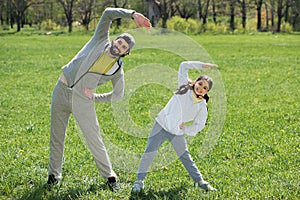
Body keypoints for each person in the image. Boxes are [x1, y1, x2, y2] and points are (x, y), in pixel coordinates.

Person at [47, 7, 151, 191]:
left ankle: (110, 177)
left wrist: (95, 98)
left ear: (126, 53)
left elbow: (118, 95)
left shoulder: (116, 71)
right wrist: (132, 14)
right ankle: (54, 175)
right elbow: (107, 13)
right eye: (119, 42)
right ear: (115, 39)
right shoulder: (100, 39)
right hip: (61, 91)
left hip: (82, 101)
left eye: (123, 48)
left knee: (94, 138)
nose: (118, 46)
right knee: (57, 136)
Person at [132, 61, 218, 193]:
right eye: (200, 84)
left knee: (185, 157)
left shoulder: (202, 106)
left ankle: (200, 182)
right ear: (195, 82)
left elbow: (199, 125)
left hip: (176, 132)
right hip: (160, 125)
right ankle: (139, 182)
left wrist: (186, 129)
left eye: (205, 88)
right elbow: (183, 65)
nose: (201, 88)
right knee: (149, 153)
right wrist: (202, 65)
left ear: (206, 92)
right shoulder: (184, 88)